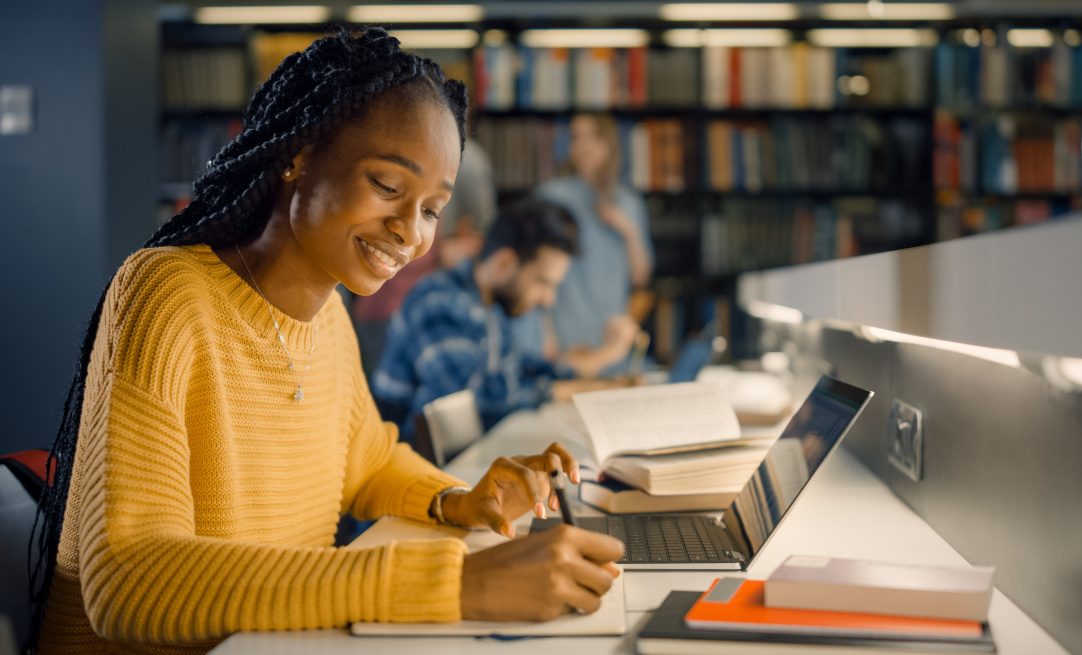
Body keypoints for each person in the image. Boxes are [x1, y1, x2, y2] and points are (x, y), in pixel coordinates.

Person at [31, 30, 622, 654]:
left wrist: (458, 502)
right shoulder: (167, 295)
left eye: (431, 209)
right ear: (299, 155)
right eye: (389, 187)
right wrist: (451, 583)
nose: (410, 233)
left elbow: (365, 462)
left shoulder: (329, 315)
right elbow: (129, 582)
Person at [371, 197, 635, 442]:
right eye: (543, 282)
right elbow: (472, 402)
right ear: (504, 263)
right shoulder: (438, 303)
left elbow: (517, 368)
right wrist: (574, 388)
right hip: (412, 471)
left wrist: (590, 376)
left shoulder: (488, 306)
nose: (548, 300)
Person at [351, 137, 498, 376]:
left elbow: (477, 238)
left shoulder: (464, 162)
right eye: (387, 187)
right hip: (387, 311)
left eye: (431, 211)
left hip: (408, 309)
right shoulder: (465, 160)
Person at [524, 113, 654, 371]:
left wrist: (628, 231)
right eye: (575, 138)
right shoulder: (551, 197)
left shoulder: (628, 203)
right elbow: (531, 270)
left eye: (593, 137)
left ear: (609, 144)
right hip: (565, 336)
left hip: (610, 337)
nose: (583, 146)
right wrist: (543, 330)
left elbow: (641, 277)